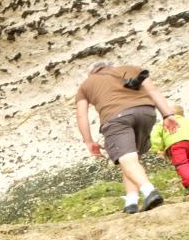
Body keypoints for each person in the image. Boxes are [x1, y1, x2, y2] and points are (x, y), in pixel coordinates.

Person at [75, 60, 178, 213]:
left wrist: (89, 141)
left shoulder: (86, 84)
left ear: (92, 73)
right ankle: (131, 202)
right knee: (130, 159)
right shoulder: (134, 68)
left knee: (127, 159)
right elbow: (154, 91)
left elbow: (81, 115)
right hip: (146, 112)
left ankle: (150, 191)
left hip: (116, 118)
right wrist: (167, 115)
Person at [150, 105, 189, 194]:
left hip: (176, 144)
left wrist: (158, 149)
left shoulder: (164, 123)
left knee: (182, 164)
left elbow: (155, 136)